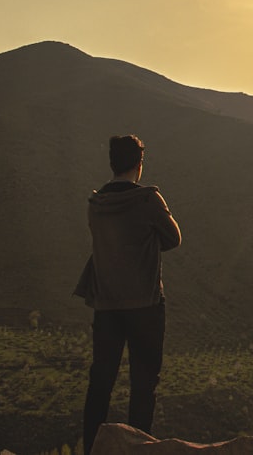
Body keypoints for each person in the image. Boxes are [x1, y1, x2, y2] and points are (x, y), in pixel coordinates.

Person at [74, 134, 181, 455]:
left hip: (106, 305)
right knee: (144, 384)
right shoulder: (148, 199)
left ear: (111, 163)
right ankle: (139, 448)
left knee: (101, 383)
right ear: (139, 164)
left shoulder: (97, 203)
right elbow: (174, 238)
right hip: (145, 305)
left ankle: (92, 448)